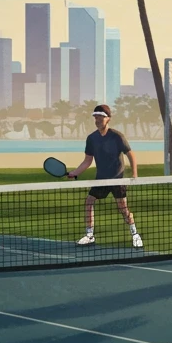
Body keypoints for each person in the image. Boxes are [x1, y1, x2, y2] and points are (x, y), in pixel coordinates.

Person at [66, 104, 142, 248]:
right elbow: (87, 160)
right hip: (101, 180)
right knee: (89, 201)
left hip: (117, 179)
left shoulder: (117, 136)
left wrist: (134, 174)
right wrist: (75, 173)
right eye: (96, 117)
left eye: (101, 117)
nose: (98, 120)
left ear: (108, 119)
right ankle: (89, 235)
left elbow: (130, 154)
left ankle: (135, 234)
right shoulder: (92, 138)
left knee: (123, 209)